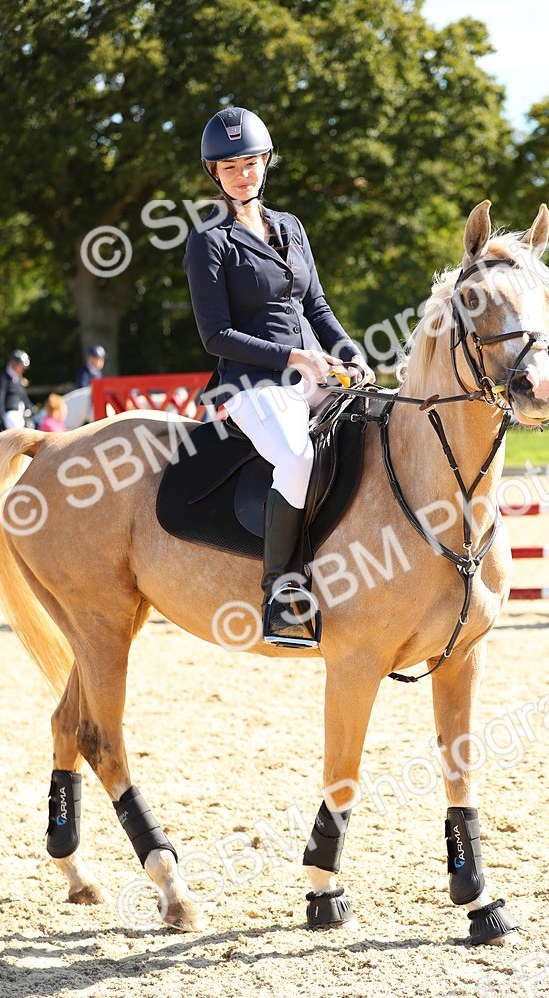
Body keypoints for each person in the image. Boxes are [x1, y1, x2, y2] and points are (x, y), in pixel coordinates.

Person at [184, 105, 374, 649]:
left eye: (251, 162)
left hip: (313, 371)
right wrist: (294, 358)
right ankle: (282, 591)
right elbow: (215, 336)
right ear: (215, 175)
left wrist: (348, 352)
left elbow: (317, 305)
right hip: (251, 384)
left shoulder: (290, 227)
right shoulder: (208, 241)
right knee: (296, 457)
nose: (243, 174)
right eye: (230, 167)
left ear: (266, 163)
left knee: (380, 423)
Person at [0, 349, 34, 430]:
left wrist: (32, 408)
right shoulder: (3, 379)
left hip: (21, 415)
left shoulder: (18, 380)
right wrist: (3, 419)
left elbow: (24, 398)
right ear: (14, 363)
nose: (23, 369)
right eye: (21, 366)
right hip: (10, 417)